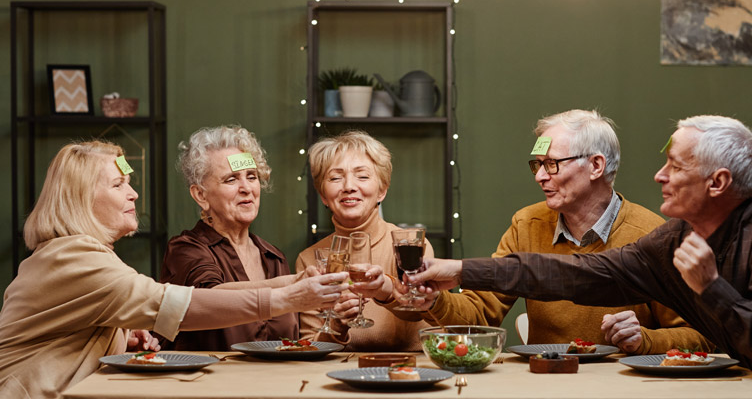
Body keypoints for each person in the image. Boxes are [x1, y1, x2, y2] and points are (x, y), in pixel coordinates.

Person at [407, 115, 752, 399]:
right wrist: (461, 269)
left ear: (718, 181)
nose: (659, 175)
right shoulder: (675, 239)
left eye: (676, 166)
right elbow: (581, 274)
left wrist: (711, 288)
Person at [0, 141, 348, 399]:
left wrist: (119, 338)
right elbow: (176, 304)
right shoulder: (74, 258)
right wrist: (286, 297)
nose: (134, 193)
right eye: (118, 184)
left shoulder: (83, 254)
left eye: (251, 176)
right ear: (80, 197)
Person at [414, 110, 713, 353]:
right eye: (537, 165)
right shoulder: (527, 224)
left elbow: (701, 336)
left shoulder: (651, 233)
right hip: (545, 385)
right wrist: (435, 301)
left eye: (552, 164)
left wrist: (644, 340)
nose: (540, 177)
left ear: (596, 165)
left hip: (623, 392)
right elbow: (480, 313)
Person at [159, 126, 383, 350]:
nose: (246, 187)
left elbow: (293, 346)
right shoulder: (185, 249)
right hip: (206, 383)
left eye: (252, 176)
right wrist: (293, 285)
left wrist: (336, 324)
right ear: (201, 195)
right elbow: (208, 299)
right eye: (231, 180)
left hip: (273, 384)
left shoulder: (273, 257)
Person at [297, 130, 433, 351]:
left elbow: (426, 313)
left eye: (362, 176)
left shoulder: (411, 245)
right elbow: (309, 347)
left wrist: (386, 290)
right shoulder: (310, 259)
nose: (349, 186)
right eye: (335, 177)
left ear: (382, 191)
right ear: (323, 195)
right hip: (336, 378)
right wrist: (336, 325)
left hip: (406, 374)